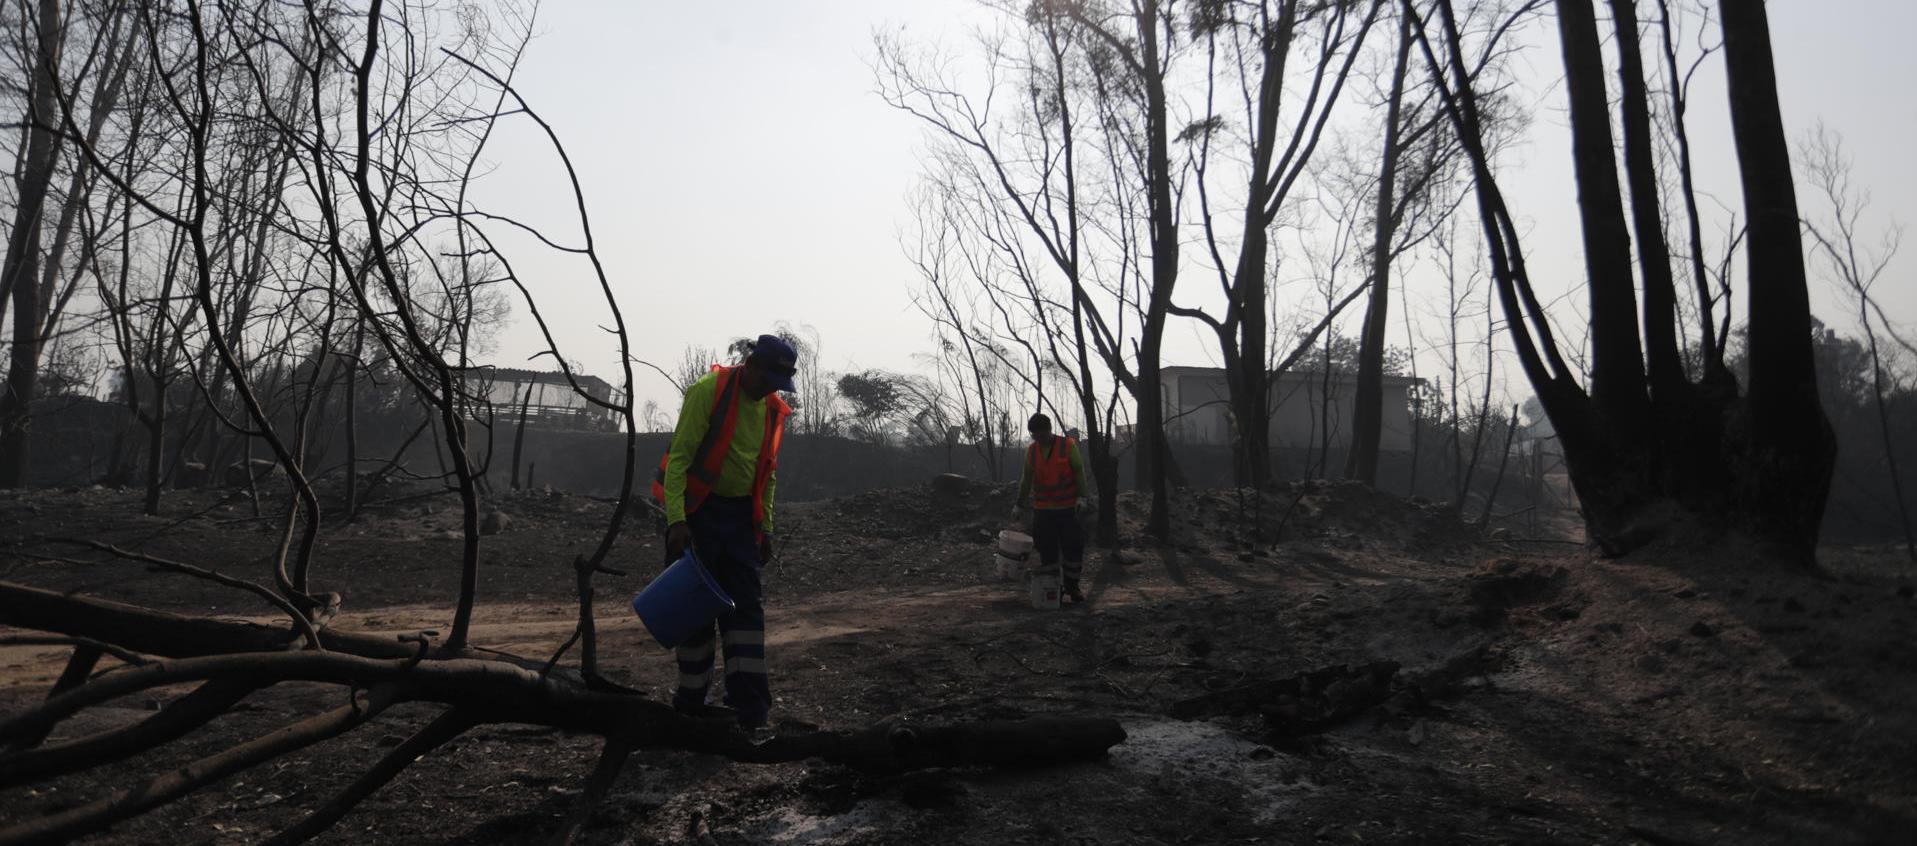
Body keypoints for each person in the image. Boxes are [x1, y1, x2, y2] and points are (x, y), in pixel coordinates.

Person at [650, 334, 795, 740]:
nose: (771, 389)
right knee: (693, 611)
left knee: (746, 615)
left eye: (778, 384)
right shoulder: (708, 392)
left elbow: (768, 473)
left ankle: (750, 709)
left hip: (739, 523)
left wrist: (764, 527)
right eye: (767, 378)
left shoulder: (771, 410)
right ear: (750, 366)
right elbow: (679, 457)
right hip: (698, 514)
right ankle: (691, 706)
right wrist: (677, 520)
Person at [1012, 412, 1090, 604]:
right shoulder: (1032, 451)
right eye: (1035, 435)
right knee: (1047, 551)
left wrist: (1082, 497)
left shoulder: (1067, 446)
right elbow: (1026, 479)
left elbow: (1079, 472)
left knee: (1072, 549)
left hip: (1068, 509)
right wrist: (1019, 504)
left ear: (1049, 430)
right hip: (1043, 510)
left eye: (1041, 434)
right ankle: (1053, 588)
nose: (1038, 438)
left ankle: (1073, 587)